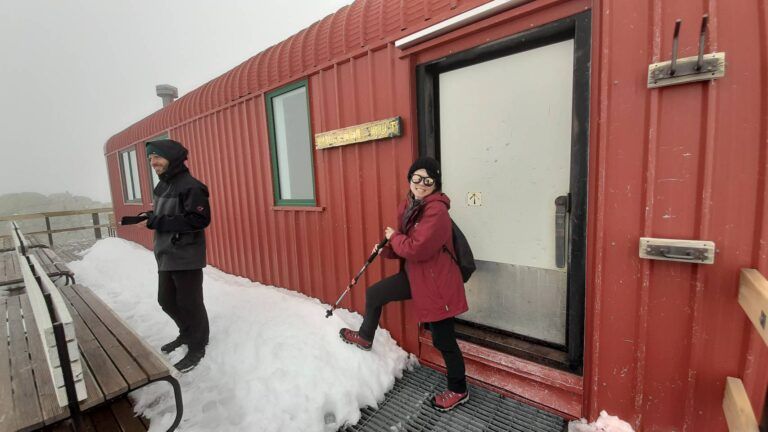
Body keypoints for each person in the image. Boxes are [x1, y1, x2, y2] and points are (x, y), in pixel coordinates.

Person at [339, 157, 470, 412]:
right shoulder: (411, 206)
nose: (421, 184)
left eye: (428, 180)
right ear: (410, 179)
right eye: (416, 178)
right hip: (417, 276)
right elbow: (405, 245)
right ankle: (365, 337)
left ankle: (459, 389)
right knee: (375, 293)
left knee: (443, 340)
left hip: (437, 284)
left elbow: (416, 248)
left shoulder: (436, 212)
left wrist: (394, 236)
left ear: (436, 184)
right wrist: (387, 248)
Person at [140, 139, 211, 373]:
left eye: (157, 157)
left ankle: (197, 346)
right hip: (165, 253)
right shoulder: (162, 186)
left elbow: (199, 219)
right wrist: (149, 216)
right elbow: (167, 214)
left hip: (186, 254)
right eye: (150, 158)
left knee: (190, 303)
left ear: (172, 158)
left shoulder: (192, 187)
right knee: (166, 300)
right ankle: (186, 333)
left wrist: (157, 221)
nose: (153, 162)